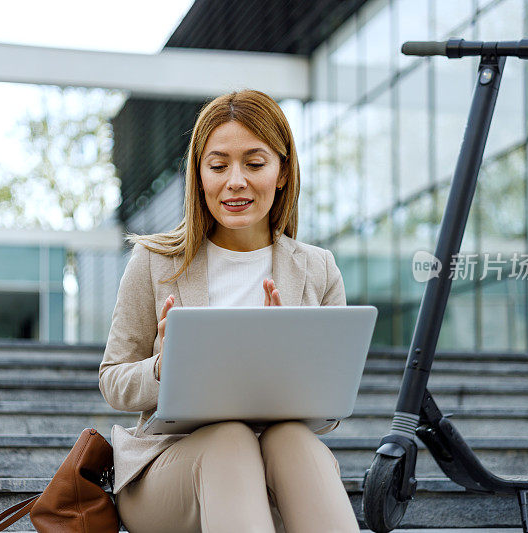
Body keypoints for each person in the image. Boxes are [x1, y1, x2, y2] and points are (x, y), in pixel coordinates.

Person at [98, 89, 359, 532]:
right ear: (199, 176)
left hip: (274, 467)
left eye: (254, 164)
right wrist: (165, 366)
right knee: (230, 439)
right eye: (218, 166)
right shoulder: (154, 262)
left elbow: (329, 411)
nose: (235, 181)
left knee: (294, 439)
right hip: (169, 469)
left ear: (282, 172)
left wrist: (290, 362)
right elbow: (113, 380)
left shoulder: (318, 269)